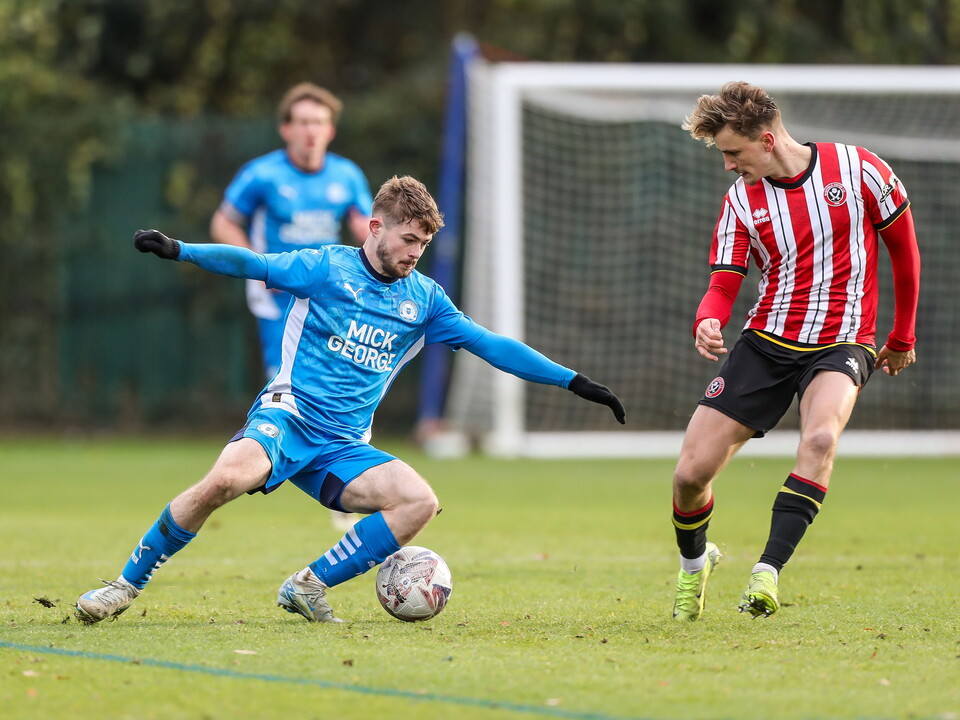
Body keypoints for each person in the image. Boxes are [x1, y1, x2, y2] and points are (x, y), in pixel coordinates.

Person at [76, 175, 626, 625]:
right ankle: (124, 585)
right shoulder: (326, 268)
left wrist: (573, 381)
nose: (415, 253)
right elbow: (253, 263)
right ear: (376, 227)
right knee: (223, 481)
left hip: (343, 446)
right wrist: (180, 250)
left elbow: (490, 345)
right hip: (287, 418)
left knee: (419, 501)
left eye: (424, 245)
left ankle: (307, 586)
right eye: (408, 240)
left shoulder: (425, 300)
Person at [670, 82, 920, 621]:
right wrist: (708, 317)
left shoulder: (859, 170)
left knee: (822, 436)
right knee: (690, 475)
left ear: (766, 139)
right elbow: (724, 280)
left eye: (733, 152)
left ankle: (767, 572)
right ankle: (696, 567)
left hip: (843, 341)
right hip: (765, 343)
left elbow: (905, 252)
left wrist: (902, 336)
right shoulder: (741, 199)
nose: (728, 165)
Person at [211, 82, 373, 380]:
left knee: (330, 378)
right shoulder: (261, 174)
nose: (311, 131)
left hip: (328, 288)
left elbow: (365, 227)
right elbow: (223, 223)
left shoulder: (347, 175)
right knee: (284, 378)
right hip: (276, 292)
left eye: (319, 123)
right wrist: (260, 266)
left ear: (331, 131)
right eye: (303, 122)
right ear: (287, 130)